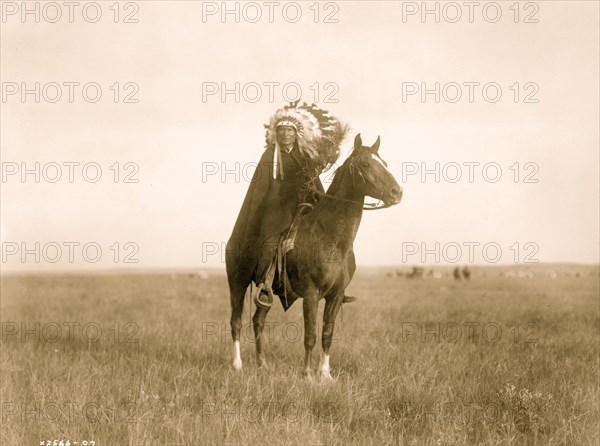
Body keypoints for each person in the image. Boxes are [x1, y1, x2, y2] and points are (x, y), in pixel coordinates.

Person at [226, 102, 348, 309]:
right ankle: (265, 283)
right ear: (276, 134)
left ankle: (337, 285)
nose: (285, 135)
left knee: (332, 238)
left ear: (296, 134)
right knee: (269, 244)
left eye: (289, 131)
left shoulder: (305, 157)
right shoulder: (269, 157)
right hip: (277, 211)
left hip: (304, 208)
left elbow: (314, 183)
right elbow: (261, 188)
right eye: (281, 131)